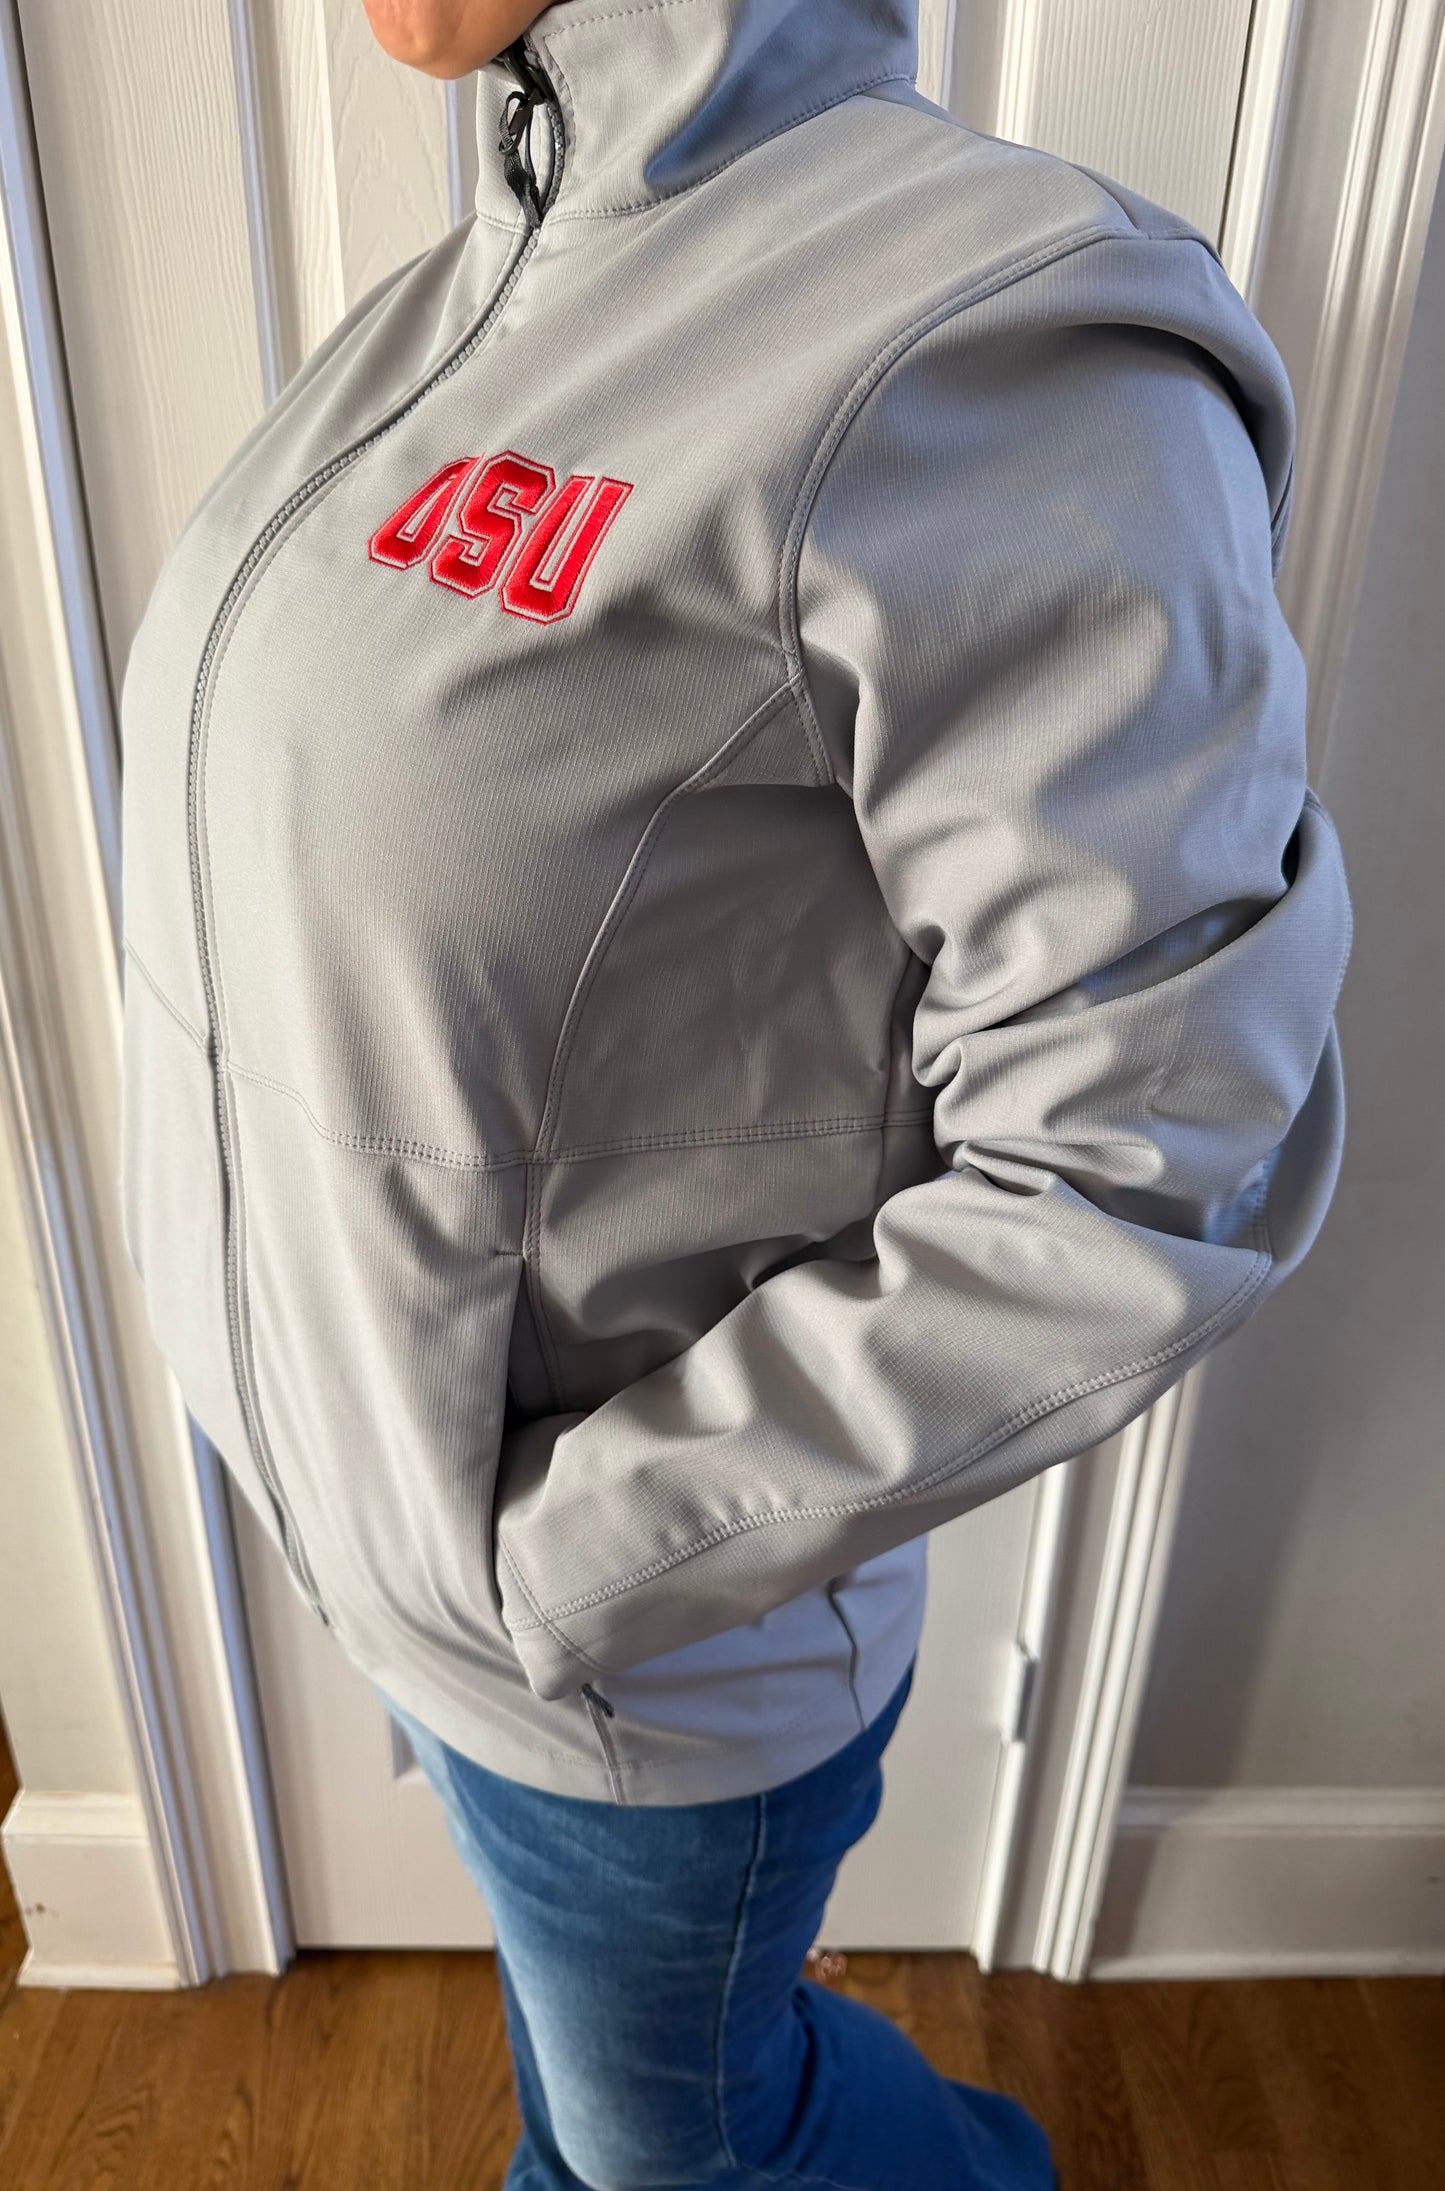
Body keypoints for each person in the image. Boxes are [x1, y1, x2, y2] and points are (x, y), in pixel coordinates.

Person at [116, 0, 1351, 2182]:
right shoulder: (495, 275)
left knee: (688, 2141)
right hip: (412, 1569)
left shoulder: (985, 337)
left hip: (627, 1674)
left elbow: (1150, 1156)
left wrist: (566, 1568)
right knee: (636, 2104)